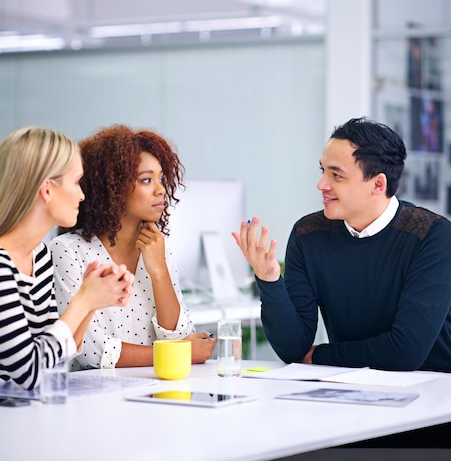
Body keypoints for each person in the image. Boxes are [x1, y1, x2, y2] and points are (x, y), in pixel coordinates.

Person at [233, 117, 451, 372]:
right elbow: (293, 349)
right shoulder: (308, 235)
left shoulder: (434, 236)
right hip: (350, 392)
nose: (321, 185)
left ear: (378, 184)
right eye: (322, 171)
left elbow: (405, 352)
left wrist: (319, 356)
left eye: (336, 175)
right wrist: (269, 280)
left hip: (435, 394)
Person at [50, 124, 216, 369]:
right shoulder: (67, 251)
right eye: (146, 180)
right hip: (95, 401)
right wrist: (184, 354)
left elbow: (179, 337)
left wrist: (159, 270)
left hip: (154, 394)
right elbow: (91, 352)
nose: (161, 190)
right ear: (113, 187)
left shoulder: (158, 247)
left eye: (161, 179)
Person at [0, 126, 134, 390]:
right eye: (76, 182)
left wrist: (93, 302)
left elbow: (57, 355)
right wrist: (83, 301)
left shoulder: (39, 256)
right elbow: (31, 372)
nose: (82, 195)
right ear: (47, 189)